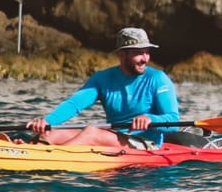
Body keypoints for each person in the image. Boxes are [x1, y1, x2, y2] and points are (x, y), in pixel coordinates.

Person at [26, 26, 180, 148]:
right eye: (139, 53)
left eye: (147, 52)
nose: (145, 59)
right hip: (114, 137)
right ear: (122, 55)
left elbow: (173, 121)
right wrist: (47, 122)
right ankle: (29, 149)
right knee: (52, 133)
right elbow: (74, 105)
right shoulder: (103, 79)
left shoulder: (158, 79)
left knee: (91, 132)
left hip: (146, 143)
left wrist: (150, 119)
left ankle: (53, 157)